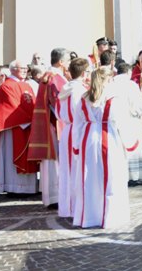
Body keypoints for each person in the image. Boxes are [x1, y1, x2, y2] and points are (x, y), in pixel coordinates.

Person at [72, 67, 135, 229]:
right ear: (108, 79)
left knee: (90, 179)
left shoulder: (83, 98)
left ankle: (90, 217)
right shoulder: (114, 98)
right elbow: (122, 122)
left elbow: (77, 125)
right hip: (109, 139)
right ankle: (111, 217)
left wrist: (77, 146)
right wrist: (129, 143)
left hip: (88, 140)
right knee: (112, 179)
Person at [0, 60, 39, 195]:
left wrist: (36, 117)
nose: (24, 70)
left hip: (28, 126)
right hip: (15, 127)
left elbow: (33, 103)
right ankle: (14, 188)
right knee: (13, 156)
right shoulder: (7, 86)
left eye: (25, 68)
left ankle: (29, 188)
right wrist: (30, 119)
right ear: (12, 70)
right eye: (21, 68)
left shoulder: (26, 85)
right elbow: (12, 107)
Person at [27, 48, 71, 210]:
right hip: (56, 124)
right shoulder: (55, 77)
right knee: (55, 162)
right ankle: (56, 196)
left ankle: (52, 195)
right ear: (60, 62)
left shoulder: (49, 75)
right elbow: (58, 103)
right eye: (67, 60)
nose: (68, 64)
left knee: (52, 162)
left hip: (51, 123)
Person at [56, 57, 88, 219]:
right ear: (83, 73)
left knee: (66, 170)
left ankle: (66, 206)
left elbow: (57, 112)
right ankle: (76, 206)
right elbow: (80, 112)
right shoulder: (80, 90)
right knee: (75, 169)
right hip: (77, 129)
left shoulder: (64, 88)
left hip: (66, 129)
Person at [111, 62, 142, 186]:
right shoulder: (131, 85)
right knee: (132, 150)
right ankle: (133, 177)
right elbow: (138, 105)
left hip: (116, 123)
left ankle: (122, 176)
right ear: (128, 72)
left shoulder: (111, 84)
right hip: (130, 122)